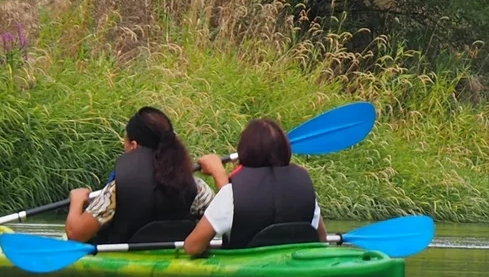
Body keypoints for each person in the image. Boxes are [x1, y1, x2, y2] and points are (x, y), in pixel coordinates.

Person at [66, 107, 215, 244]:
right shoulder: (196, 187)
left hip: (124, 260)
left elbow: (75, 234)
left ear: (134, 146)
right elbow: (224, 217)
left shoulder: (118, 190)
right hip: (177, 259)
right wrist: (218, 173)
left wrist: (77, 200)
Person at [183, 118, 327, 256]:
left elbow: (192, 247)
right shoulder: (304, 188)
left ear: (244, 152)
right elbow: (322, 241)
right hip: (295, 273)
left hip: (243, 276)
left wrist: (218, 172)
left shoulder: (231, 194)